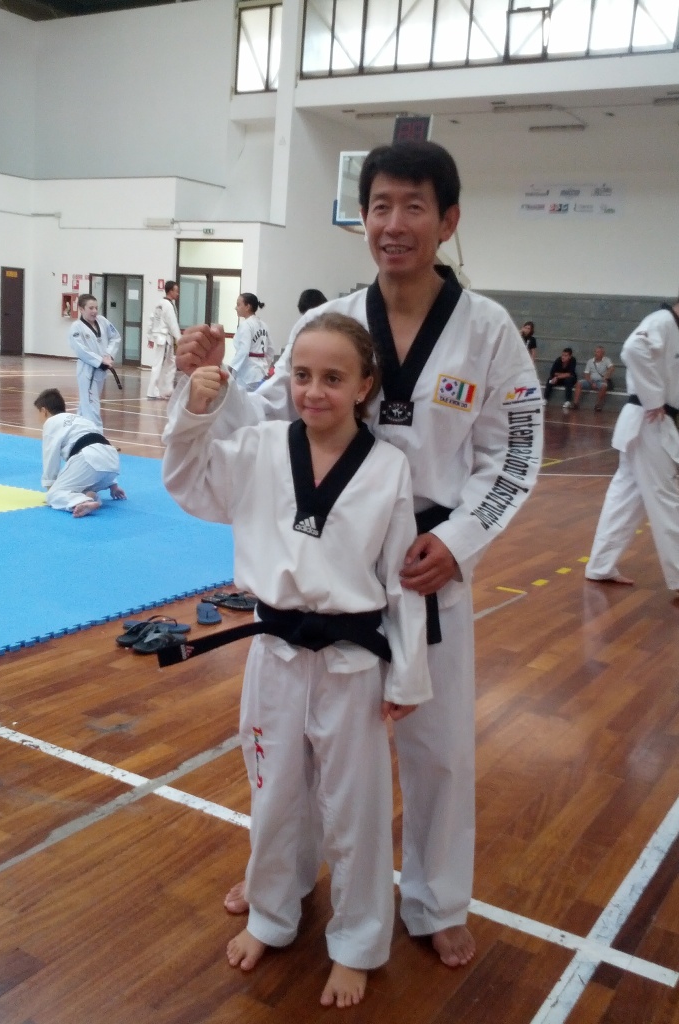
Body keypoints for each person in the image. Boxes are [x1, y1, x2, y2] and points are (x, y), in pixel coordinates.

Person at [172, 140, 543, 968]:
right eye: (380, 206)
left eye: (414, 206)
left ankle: (436, 900)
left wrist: (458, 541)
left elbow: (516, 453)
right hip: (331, 564)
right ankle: (284, 874)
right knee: (299, 749)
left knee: (437, 747)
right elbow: (276, 418)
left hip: (427, 566)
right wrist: (212, 386)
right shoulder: (330, 321)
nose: (394, 223)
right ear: (363, 218)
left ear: (448, 220)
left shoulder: (487, 332)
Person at [163, 312, 432, 1007]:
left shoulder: (388, 467)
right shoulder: (259, 447)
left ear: (365, 385)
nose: (314, 391)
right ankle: (271, 915)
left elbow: (401, 580)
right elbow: (188, 483)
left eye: (333, 378)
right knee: (274, 793)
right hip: (276, 655)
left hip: (353, 664)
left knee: (356, 808)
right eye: (303, 375)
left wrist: (407, 674)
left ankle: (358, 943)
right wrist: (195, 408)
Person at [585, 301, 679, 593]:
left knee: (626, 496)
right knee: (666, 496)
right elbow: (633, 349)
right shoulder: (662, 320)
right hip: (649, 419)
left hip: (650, 419)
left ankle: (600, 565)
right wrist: (654, 399)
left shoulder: (672, 327)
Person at [35, 387, 126, 517]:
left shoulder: (51, 422)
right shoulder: (81, 419)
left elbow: (50, 457)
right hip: (112, 464)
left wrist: (51, 488)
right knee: (79, 484)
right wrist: (113, 485)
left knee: (54, 496)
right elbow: (100, 446)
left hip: (89, 460)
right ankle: (90, 495)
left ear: (43, 411)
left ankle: (83, 501)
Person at [68, 294, 121, 429]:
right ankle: (97, 436)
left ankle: (76, 433)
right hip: (88, 370)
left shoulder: (102, 321)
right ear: (81, 309)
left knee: (85, 404)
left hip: (101, 369)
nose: (94, 311)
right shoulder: (76, 327)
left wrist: (109, 355)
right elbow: (81, 350)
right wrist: (100, 360)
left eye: (96, 308)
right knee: (91, 406)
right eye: (91, 308)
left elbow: (115, 337)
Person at [228, 293, 274, 390]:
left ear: (247, 306)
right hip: (261, 372)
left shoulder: (246, 325)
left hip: (247, 374)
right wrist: (266, 366)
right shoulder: (264, 325)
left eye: (238, 304)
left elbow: (243, 350)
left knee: (243, 398)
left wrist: (232, 367)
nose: (236, 308)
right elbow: (270, 350)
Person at [146, 280, 181, 400]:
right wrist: (179, 339)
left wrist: (150, 337)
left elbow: (151, 320)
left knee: (171, 363)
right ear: (170, 291)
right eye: (176, 291)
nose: (178, 293)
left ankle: (167, 390)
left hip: (162, 337)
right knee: (160, 365)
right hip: (165, 338)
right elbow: (173, 324)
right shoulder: (168, 305)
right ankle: (154, 391)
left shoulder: (159, 303)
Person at [572, 345, 613, 411]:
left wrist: (606, 376)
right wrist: (591, 382)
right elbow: (586, 374)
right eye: (595, 352)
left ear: (602, 354)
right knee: (579, 383)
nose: (596, 353)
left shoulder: (607, 360)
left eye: (598, 352)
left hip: (600, 381)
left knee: (604, 386)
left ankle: (598, 405)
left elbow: (611, 368)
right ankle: (575, 403)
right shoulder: (590, 361)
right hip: (590, 380)